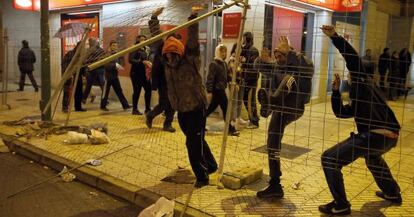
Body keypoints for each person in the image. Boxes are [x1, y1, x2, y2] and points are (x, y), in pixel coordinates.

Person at [319, 25, 402, 215]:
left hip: (374, 136)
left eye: (352, 71)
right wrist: (336, 93)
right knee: (372, 157)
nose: (350, 73)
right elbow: (342, 113)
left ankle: (341, 205)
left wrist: (335, 37)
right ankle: (392, 193)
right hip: (390, 137)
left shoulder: (362, 82)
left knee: (329, 158)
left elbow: (352, 59)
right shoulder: (369, 89)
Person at [161, 7, 217, 188]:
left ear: (178, 52)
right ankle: (212, 165)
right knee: (197, 139)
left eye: (173, 54)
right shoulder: (168, 66)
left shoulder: (190, 60)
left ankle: (202, 176)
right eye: (167, 55)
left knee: (192, 143)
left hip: (196, 108)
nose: (170, 58)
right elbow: (156, 43)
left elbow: (192, 42)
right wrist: (153, 20)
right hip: (182, 110)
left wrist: (193, 17)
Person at [256, 36, 314, 199]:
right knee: (272, 142)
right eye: (276, 56)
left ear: (288, 54)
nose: (278, 59)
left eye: (281, 55)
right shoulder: (276, 66)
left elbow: (309, 68)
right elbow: (257, 67)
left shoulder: (299, 65)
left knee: (288, 79)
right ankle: (275, 184)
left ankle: (270, 102)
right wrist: (262, 60)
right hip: (280, 108)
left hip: (294, 107)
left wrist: (292, 54)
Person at [144, 7, 176, 133]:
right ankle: (151, 115)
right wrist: (154, 18)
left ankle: (167, 124)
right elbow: (155, 34)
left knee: (172, 103)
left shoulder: (177, 51)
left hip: (173, 83)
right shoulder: (161, 47)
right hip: (163, 81)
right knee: (164, 103)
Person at [205, 44, 239, 136]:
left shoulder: (224, 63)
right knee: (226, 108)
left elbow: (226, 76)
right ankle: (230, 129)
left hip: (221, 90)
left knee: (210, 109)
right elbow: (210, 78)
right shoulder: (214, 64)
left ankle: (199, 124)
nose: (224, 53)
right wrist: (209, 91)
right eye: (222, 51)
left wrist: (232, 82)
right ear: (217, 52)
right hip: (217, 91)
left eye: (225, 51)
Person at [100, 40, 130, 111]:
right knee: (105, 92)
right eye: (113, 45)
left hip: (114, 76)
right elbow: (106, 65)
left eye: (116, 46)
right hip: (107, 76)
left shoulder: (117, 54)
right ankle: (103, 106)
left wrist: (119, 64)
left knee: (119, 91)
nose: (115, 47)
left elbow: (121, 64)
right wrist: (115, 65)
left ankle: (125, 105)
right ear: (110, 46)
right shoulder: (106, 54)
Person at [240, 32, 260, 129]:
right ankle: (252, 118)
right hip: (246, 78)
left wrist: (244, 62)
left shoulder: (253, 50)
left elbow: (253, 66)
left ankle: (254, 121)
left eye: (244, 38)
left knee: (250, 100)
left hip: (251, 80)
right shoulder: (246, 49)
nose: (243, 40)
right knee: (246, 99)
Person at [129, 35, 152, 115]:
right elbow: (131, 60)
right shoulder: (135, 48)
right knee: (137, 91)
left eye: (144, 39)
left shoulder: (147, 49)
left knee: (148, 90)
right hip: (136, 73)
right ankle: (134, 109)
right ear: (138, 40)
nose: (143, 41)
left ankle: (148, 109)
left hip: (145, 74)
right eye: (141, 39)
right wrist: (142, 62)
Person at [228, 43, 248, 127]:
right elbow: (231, 73)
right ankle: (233, 120)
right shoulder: (232, 59)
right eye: (238, 48)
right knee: (234, 101)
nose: (240, 50)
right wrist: (234, 83)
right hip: (234, 83)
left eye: (241, 48)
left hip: (241, 82)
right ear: (234, 49)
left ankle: (238, 117)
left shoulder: (241, 59)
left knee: (240, 100)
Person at [83, 38, 106, 104]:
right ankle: (84, 98)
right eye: (90, 42)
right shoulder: (88, 50)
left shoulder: (100, 50)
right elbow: (85, 61)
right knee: (89, 85)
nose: (90, 43)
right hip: (91, 70)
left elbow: (103, 59)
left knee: (102, 85)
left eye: (91, 42)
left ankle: (104, 99)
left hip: (99, 70)